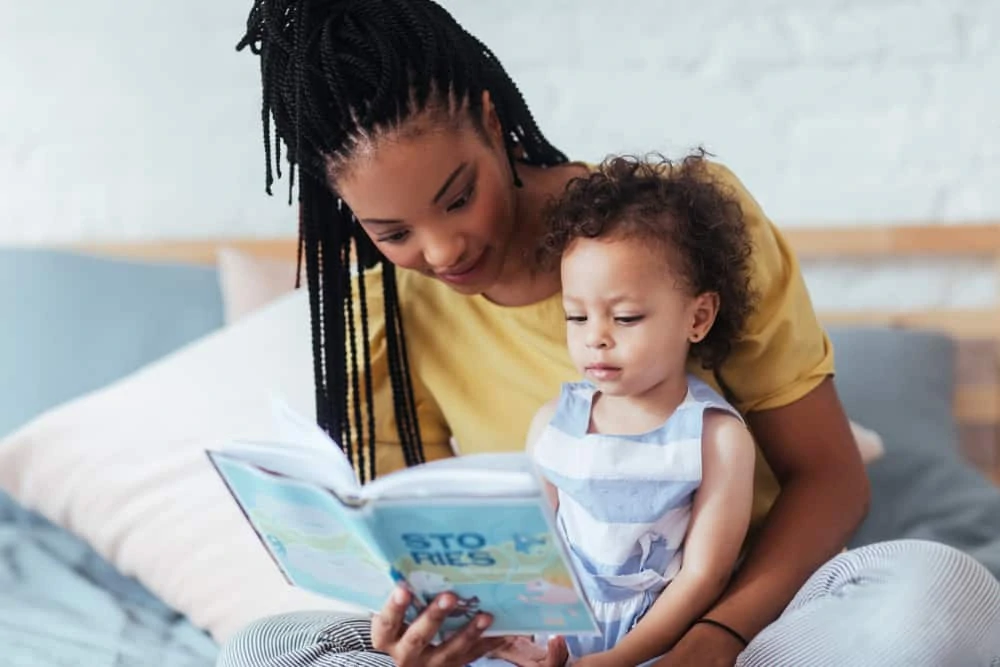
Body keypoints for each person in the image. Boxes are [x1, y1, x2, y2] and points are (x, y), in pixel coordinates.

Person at [218, 1, 1000, 666]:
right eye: (392, 231)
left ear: (492, 121)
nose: (443, 250)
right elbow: (423, 558)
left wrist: (713, 636)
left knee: (940, 591)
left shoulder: (679, 228)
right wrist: (423, 634)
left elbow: (832, 477)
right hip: (546, 645)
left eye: (458, 198)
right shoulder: (382, 323)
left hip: (752, 627)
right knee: (265, 645)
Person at [484, 155, 758, 667]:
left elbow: (704, 576)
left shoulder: (715, 438)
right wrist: (522, 645)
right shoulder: (553, 424)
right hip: (555, 635)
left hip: (658, 640)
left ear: (697, 317)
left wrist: (619, 659)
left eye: (626, 317)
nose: (595, 338)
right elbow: (530, 552)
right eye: (576, 315)